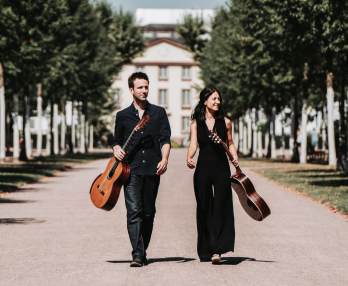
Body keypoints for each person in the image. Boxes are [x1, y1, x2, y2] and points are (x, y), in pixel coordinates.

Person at [113, 72, 171, 267]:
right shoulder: (122, 116)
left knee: (148, 212)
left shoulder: (158, 113)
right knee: (134, 211)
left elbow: (165, 140)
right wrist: (116, 148)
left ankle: (142, 248)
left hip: (153, 169)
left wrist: (165, 158)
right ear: (131, 90)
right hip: (130, 170)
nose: (144, 90)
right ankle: (137, 254)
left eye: (146, 87)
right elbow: (116, 142)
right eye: (140, 87)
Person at [186, 87, 239, 264]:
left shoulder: (226, 122)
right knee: (203, 207)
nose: (217, 101)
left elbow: (230, 143)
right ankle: (205, 249)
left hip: (221, 169)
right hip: (202, 170)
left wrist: (235, 159)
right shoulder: (196, 123)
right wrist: (189, 157)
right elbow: (194, 144)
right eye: (214, 98)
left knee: (220, 207)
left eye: (219, 99)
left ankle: (217, 250)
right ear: (205, 101)